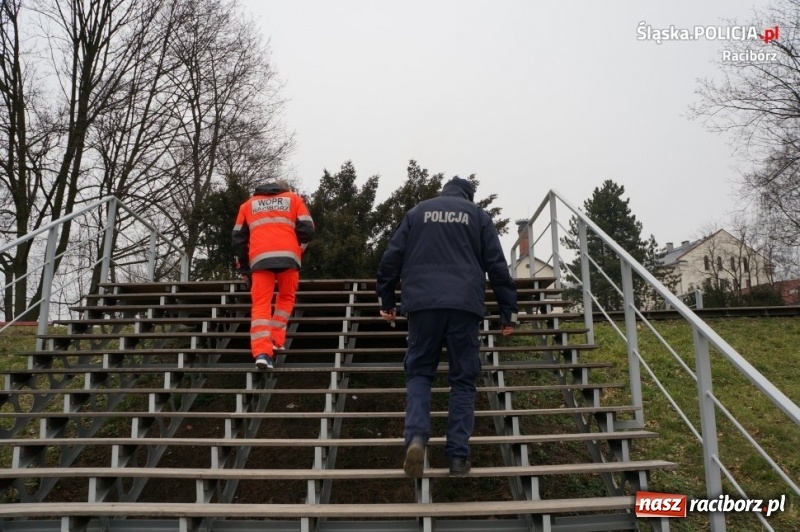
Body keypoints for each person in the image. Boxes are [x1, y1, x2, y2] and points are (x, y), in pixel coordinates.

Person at [376, 176, 517, 478]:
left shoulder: (417, 213)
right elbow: (497, 265)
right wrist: (507, 313)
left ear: (444, 192)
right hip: (464, 306)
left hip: (423, 306)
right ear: (469, 196)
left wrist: (388, 301)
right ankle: (457, 458)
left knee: (419, 373)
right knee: (463, 381)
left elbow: (391, 258)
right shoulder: (478, 216)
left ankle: (415, 437)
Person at [232, 180, 314, 370]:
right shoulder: (293, 199)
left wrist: (243, 266)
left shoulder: (247, 205)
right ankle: (276, 339)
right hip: (289, 256)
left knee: (261, 304)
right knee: (286, 298)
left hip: (259, 259)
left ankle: (262, 353)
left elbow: (238, 239)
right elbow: (308, 229)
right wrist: (298, 247)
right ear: (284, 188)